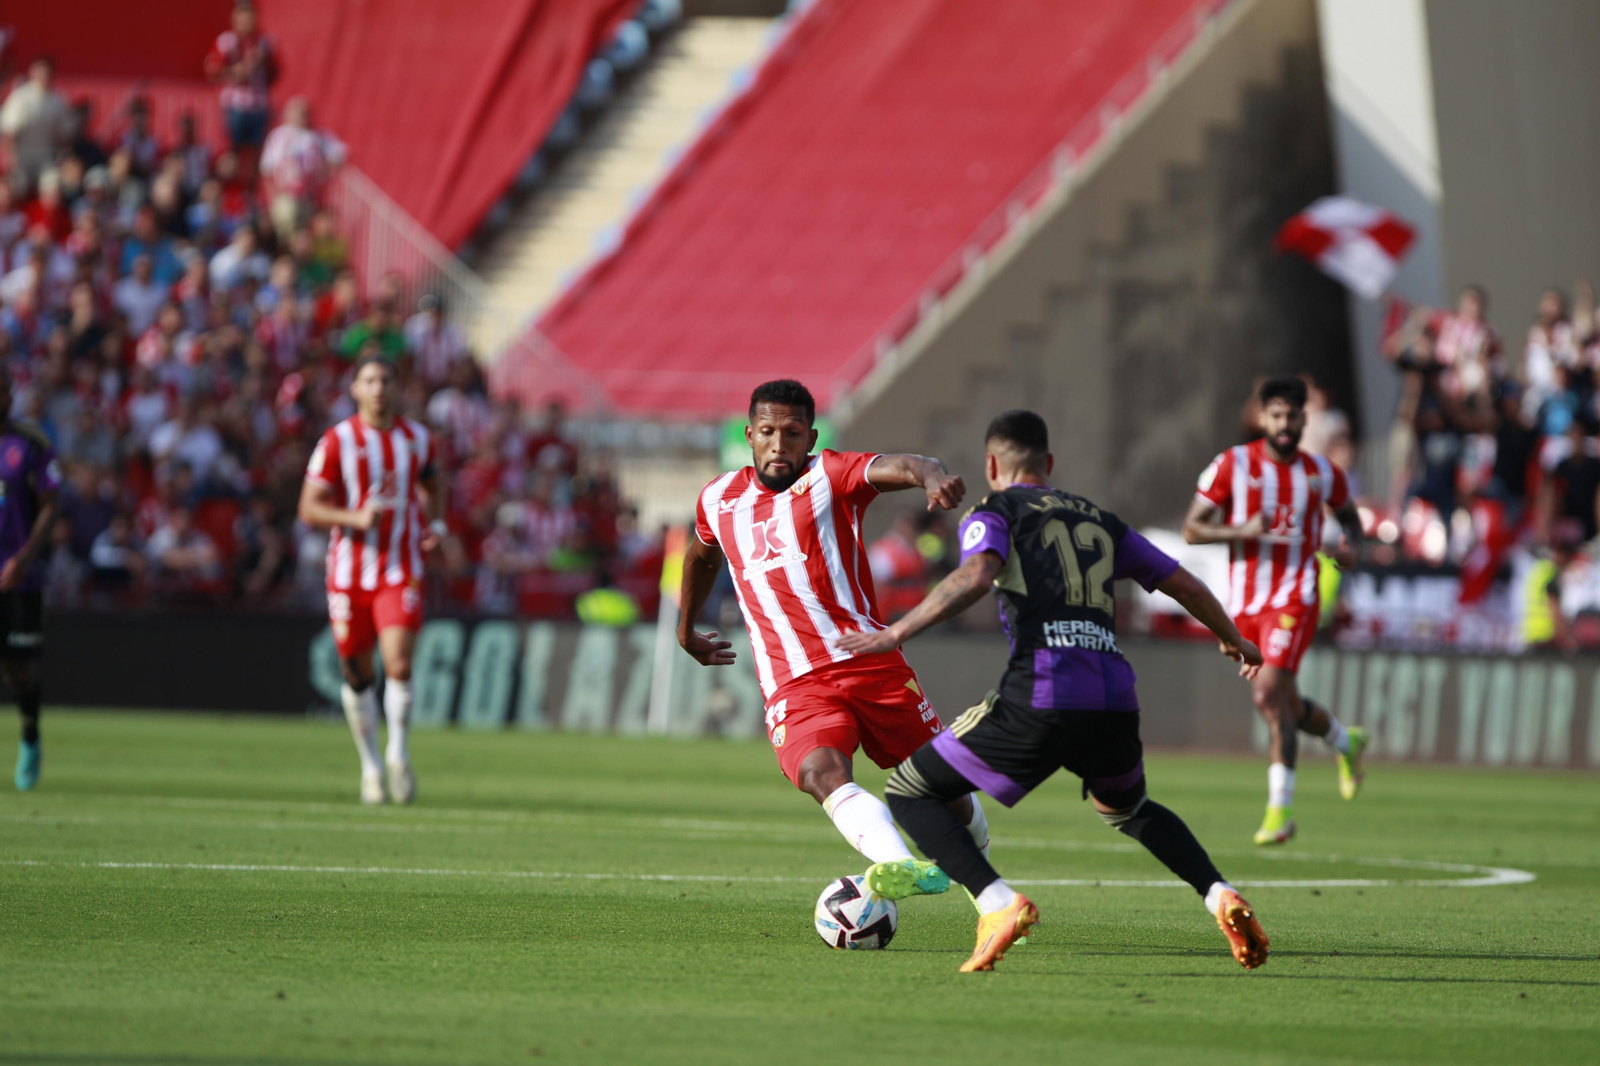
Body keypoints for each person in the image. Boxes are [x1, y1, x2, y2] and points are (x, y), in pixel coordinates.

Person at [839, 409, 1269, 973]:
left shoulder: (995, 511)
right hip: (1115, 693)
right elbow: (1181, 580)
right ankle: (1219, 894)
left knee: (910, 789)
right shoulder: (1100, 519)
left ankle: (998, 905)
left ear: (992, 464)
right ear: (1049, 463)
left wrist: (893, 632)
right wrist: (1233, 637)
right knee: (1129, 806)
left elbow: (976, 574)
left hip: (1044, 689)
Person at [677, 378, 982, 903]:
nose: (779, 444)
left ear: (810, 438)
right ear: (749, 435)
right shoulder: (718, 499)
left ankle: (987, 892)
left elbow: (906, 464)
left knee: (942, 789)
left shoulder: (832, 476)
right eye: (768, 432)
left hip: (871, 664)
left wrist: (932, 476)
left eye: (792, 432)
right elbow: (701, 556)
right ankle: (896, 864)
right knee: (820, 771)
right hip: (794, 680)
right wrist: (685, 629)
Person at [1183, 375, 1369, 845]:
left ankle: (1279, 812)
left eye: (1293, 416)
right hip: (1243, 604)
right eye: (1277, 415)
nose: (1285, 424)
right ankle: (1346, 742)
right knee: (1284, 703)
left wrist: (1352, 547)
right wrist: (1241, 530)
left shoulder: (1322, 473)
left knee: (1267, 695)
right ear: (1263, 417)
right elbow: (1192, 529)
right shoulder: (1232, 465)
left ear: (1306, 419)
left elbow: (1350, 517)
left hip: (1296, 595)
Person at [299, 357, 445, 805]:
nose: (379, 387)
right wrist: (353, 517)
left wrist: (435, 528)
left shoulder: (418, 439)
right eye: (369, 380)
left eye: (385, 379)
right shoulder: (337, 441)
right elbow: (309, 508)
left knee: (398, 664)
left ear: (396, 388)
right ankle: (371, 767)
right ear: (355, 390)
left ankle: (398, 755)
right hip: (348, 574)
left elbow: (435, 487)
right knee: (357, 675)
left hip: (400, 569)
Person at [0, 368, 62, 791]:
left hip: (17, 575)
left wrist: (24, 557)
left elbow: (50, 503)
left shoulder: (30, 443)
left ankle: (30, 735)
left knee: (18, 668)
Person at [0, 58, 72, 192]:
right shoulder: (20, 98)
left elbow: (64, 134)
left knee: (53, 188)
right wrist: (12, 161)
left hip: (47, 157)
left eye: (46, 73)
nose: (43, 76)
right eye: (39, 72)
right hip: (22, 157)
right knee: (16, 189)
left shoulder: (58, 100)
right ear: (32, 73)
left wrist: (62, 160)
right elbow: (8, 132)